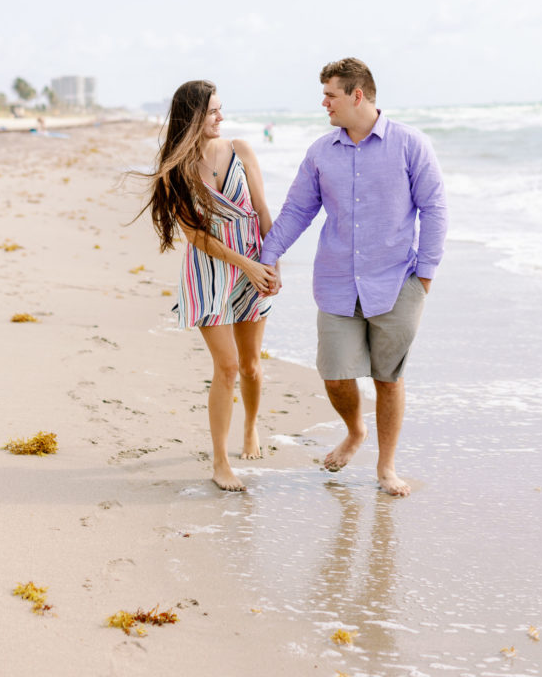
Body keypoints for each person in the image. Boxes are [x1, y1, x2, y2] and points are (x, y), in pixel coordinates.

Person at [260, 58, 447, 497]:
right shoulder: (321, 152)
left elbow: (434, 209)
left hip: (398, 281)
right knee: (334, 373)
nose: (324, 103)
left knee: (388, 378)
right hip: (337, 281)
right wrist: (268, 257)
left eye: (331, 95)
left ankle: (386, 467)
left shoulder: (410, 144)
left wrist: (426, 275)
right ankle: (353, 430)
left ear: (356, 95)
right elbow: (297, 211)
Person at [142, 80, 279, 492]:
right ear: (194, 117)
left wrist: (270, 264)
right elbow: (197, 237)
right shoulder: (175, 171)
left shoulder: (240, 150)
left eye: (221, 109)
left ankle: (251, 428)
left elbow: (261, 209)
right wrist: (247, 266)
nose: (222, 117)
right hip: (209, 270)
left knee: (252, 365)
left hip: (254, 263)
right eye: (214, 111)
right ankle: (220, 462)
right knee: (227, 366)